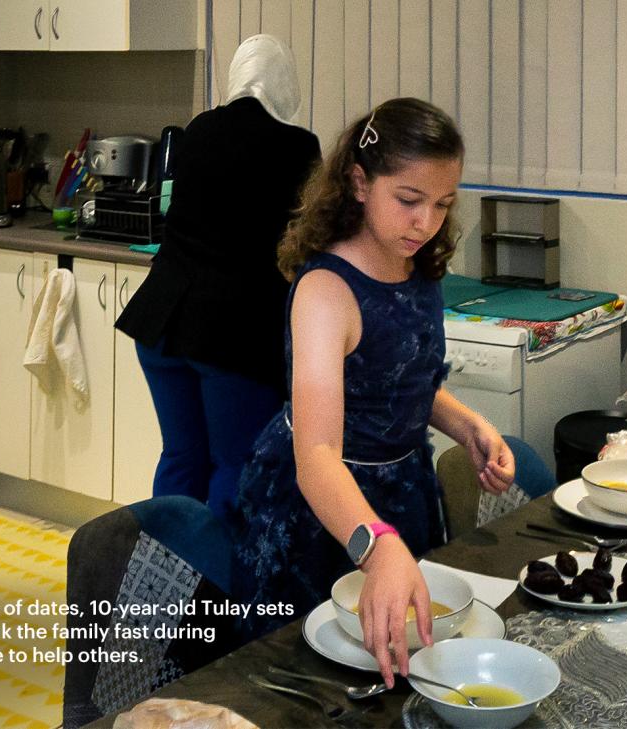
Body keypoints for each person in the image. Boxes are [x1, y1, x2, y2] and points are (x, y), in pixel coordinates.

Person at [231, 98, 514, 686]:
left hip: (400, 490)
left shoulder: (418, 266)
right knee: (314, 680)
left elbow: (398, 382)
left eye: (443, 204)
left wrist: (467, 426)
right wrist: (377, 544)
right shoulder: (326, 292)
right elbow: (315, 456)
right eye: (408, 201)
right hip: (320, 510)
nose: (426, 222)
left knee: (400, 665)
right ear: (360, 183)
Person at [115, 35, 321, 518]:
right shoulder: (297, 145)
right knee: (236, 464)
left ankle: (165, 582)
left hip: (162, 321)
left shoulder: (199, 129)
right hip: (232, 334)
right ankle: (224, 589)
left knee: (181, 457)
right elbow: (308, 232)